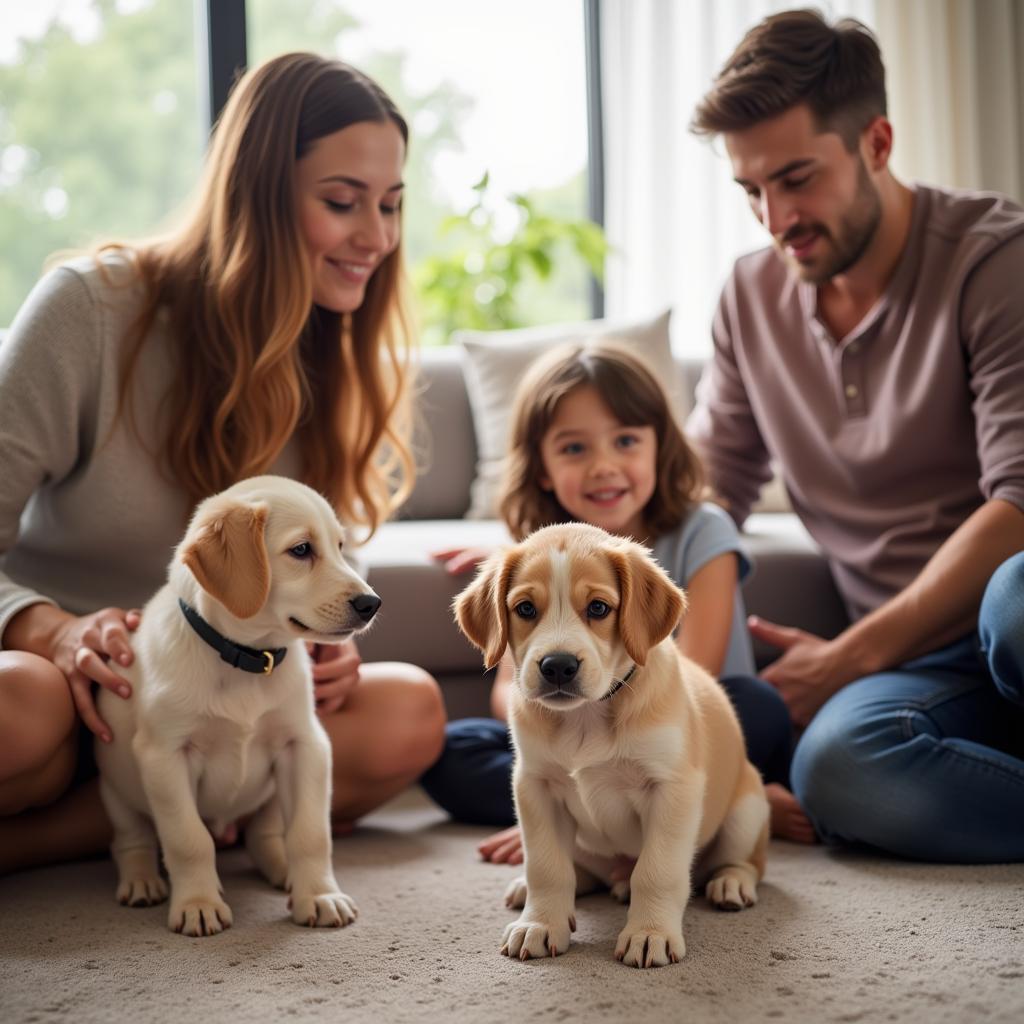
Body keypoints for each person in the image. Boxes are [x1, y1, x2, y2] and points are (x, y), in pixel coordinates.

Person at [0, 52, 446, 875]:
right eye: (343, 202)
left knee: (408, 711)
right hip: (74, 698)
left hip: (230, 696)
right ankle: (151, 811)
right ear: (257, 198)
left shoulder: (332, 354)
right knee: (14, 708)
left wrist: (320, 637)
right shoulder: (90, 311)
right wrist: (50, 629)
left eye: (390, 205)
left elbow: (323, 559)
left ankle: (112, 825)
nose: (377, 238)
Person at [686, 9, 1024, 862]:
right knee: (837, 767)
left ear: (877, 143)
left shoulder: (995, 262)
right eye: (751, 190)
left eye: (796, 178)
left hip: (1003, 617)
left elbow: (1019, 504)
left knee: (1016, 600)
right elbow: (702, 494)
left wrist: (847, 657)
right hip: (920, 671)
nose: (774, 216)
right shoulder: (749, 298)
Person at [422, 341, 814, 865]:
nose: (603, 466)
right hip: (571, 731)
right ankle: (579, 822)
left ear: (661, 449)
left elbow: (697, 670)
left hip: (681, 725)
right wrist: (548, 789)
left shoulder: (702, 529)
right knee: (455, 750)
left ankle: (719, 797)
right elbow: (509, 687)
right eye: (574, 449)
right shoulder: (534, 554)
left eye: (625, 441)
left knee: (756, 705)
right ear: (541, 468)